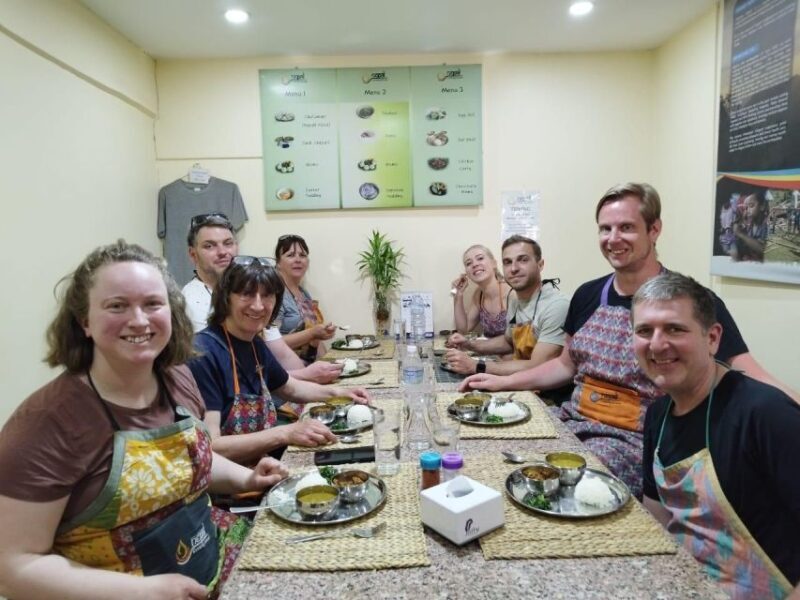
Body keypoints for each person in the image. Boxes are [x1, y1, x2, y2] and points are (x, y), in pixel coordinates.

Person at [460, 183, 796, 499]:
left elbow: (747, 373)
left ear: (654, 230)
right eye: (605, 229)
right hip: (570, 423)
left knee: (553, 492)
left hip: (636, 442)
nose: (613, 238)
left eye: (626, 227)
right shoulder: (588, 295)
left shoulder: (689, 301)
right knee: (490, 457)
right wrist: (502, 383)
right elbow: (564, 365)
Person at [0, 240, 288, 600]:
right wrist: (141, 592)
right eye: (117, 306)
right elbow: (14, 567)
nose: (139, 320)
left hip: (213, 567)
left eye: (153, 304)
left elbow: (188, 458)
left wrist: (247, 477)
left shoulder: (177, 379)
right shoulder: (47, 423)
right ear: (84, 321)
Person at [633, 272, 800, 599]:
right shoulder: (657, 415)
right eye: (644, 331)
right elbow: (655, 520)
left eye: (674, 329)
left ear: (712, 338)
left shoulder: (764, 414)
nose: (656, 344)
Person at [188, 256, 371, 465]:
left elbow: (290, 388)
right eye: (246, 294)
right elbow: (213, 447)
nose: (258, 306)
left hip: (264, 464)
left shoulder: (253, 343)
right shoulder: (203, 354)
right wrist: (285, 433)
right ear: (225, 298)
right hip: (234, 488)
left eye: (267, 296)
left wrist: (339, 393)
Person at [182, 212, 342, 384]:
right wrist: (306, 375)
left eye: (228, 244)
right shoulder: (190, 302)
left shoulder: (254, 291)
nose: (222, 252)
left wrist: (312, 375)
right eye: (209, 246)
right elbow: (229, 376)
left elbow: (278, 349)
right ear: (193, 255)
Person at [444, 235, 568, 376]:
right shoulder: (516, 300)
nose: (514, 268)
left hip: (544, 390)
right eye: (508, 262)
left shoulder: (556, 305)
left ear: (540, 265)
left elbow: (538, 366)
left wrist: (477, 366)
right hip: (517, 377)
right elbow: (508, 342)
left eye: (523, 260)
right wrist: (468, 344)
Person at [274, 234, 337, 363]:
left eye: (302, 255)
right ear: (278, 263)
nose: (298, 260)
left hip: (309, 363)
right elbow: (271, 343)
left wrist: (328, 363)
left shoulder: (304, 294)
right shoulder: (275, 294)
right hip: (285, 370)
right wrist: (312, 333)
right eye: (290, 255)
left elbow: (315, 339)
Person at [450, 244, 512, 338]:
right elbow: (463, 330)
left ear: (494, 264)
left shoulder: (511, 293)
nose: (474, 264)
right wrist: (458, 295)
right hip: (489, 351)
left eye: (480, 258)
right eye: (468, 263)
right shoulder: (479, 295)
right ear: (467, 273)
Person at [731, 192, 768, 262]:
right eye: (746, 207)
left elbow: (762, 248)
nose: (747, 210)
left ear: (762, 206)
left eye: (751, 206)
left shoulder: (765, 225)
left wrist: (741, 234)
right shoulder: (751, 225)